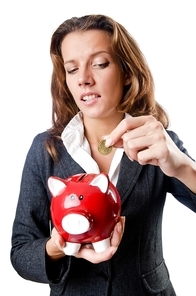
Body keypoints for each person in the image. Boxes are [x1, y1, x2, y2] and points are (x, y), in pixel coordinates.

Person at [10, 14, 196, 296]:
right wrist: (59, 244)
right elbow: (21, 252)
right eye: (72, 70)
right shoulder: (45, 149)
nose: (84, 79)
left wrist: (182, 165)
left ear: (127, 73)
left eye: (99, 64)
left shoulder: (159, 143)